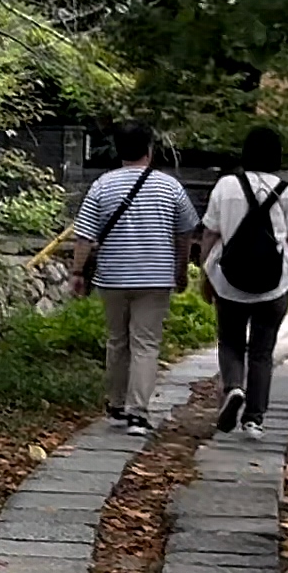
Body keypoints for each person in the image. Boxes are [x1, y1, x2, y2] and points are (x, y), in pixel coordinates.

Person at [68, 122, 199, 433]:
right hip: (156, 278)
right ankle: (137, 413)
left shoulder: (102, 185)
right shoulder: (170, 187)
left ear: (118, 150)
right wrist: (181, 270)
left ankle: (115, 404)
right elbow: (185, 233)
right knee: (146, 344)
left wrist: (77, 272)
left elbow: (84, 236)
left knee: (117, 341)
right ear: (149, 149)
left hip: (112, 277)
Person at [192, 125, 288, 437]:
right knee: (262, 351)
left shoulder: (226, 186)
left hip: (229, 279)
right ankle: (254, 418)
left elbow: (210, 234)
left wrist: (205, 274)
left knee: (230, 341)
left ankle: (233, 387)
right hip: (275, 283)